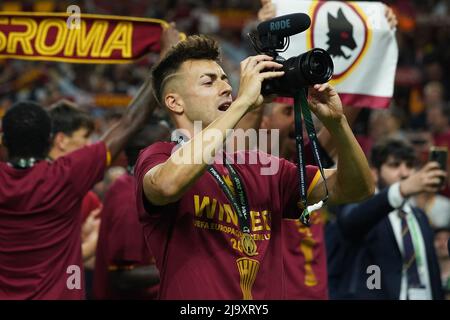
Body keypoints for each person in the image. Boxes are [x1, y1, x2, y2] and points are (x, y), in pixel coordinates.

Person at [134, 35, 374, 299]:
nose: (225, 87)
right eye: (209, 81)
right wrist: (242, 104)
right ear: (174, 102)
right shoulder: (159, 155)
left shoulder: (261, 166)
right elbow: (167, 186)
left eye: (225, 78)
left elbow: (357, 189)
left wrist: (337, 123)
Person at [327, 138, 447, 299]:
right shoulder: (363, 210)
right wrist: (400, 191)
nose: (405, 173)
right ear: (375, 173)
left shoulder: (420, 216)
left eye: (409, 165)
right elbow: (351, 223)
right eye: (395, 165)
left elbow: (431, 272)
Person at [93, 122, 170, 299]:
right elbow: (122, 276)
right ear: (148, 151)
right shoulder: (128, 199)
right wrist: (181, 266)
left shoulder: (137, 186)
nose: (175, 150)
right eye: (167, 144)